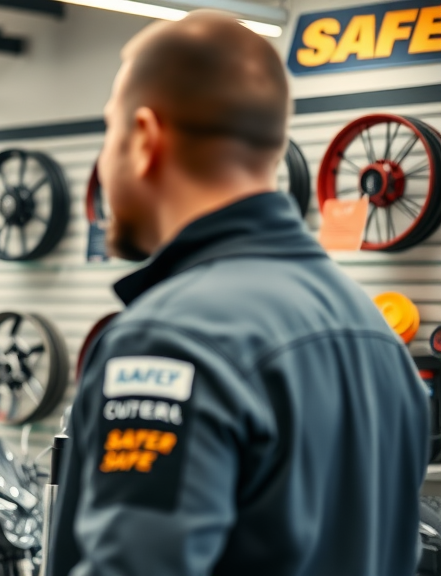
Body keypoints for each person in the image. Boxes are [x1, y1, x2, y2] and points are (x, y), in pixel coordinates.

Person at [48, 11, 428, 576]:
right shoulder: (375, 336)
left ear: (146, 138)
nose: (106, 160)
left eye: (111, 130)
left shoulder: (174, 336)